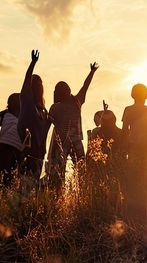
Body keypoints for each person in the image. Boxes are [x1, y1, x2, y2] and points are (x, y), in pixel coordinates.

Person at [46, 62, 99, 190]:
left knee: (57, 173)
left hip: (59, 143)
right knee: (81, 170)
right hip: (76, 141)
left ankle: (57, 194)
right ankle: (82, 192)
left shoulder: (55, 107)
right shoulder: (76, 102)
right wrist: (92, 72)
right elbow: (85, 86)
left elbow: (47, 126)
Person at [18, 50, 50, 185]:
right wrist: (32, 63)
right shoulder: (34, 107)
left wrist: (32, 63)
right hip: (33, 153)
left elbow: (44, 132)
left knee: (30, 185)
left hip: (33, 153)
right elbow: (26, 82)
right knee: (29, 184)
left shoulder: (39, 108)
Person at [0, 93, 23, 187]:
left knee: (1, 181)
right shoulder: (25, 117)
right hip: (18, 150)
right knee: (13, 182)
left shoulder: (3, 115)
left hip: (3, 148)